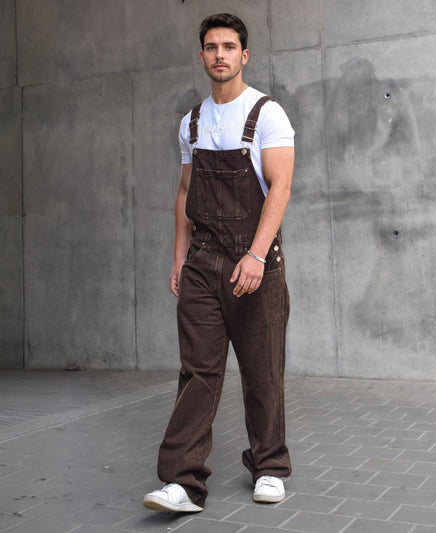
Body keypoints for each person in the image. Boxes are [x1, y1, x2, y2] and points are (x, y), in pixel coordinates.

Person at [144, 13, 295, 513]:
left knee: (262, 372)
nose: (220, 55)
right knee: (197, 373)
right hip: (203, 265)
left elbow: (281, 188)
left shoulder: (267, 114)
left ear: (243, 55)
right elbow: (185, 192)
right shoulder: (191, 122)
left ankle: (269, 466)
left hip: (255, 265)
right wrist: (179, 259)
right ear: (203, 55)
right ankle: (182, 483)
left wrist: (256, 255)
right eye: (211, 47)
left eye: (229, 46)